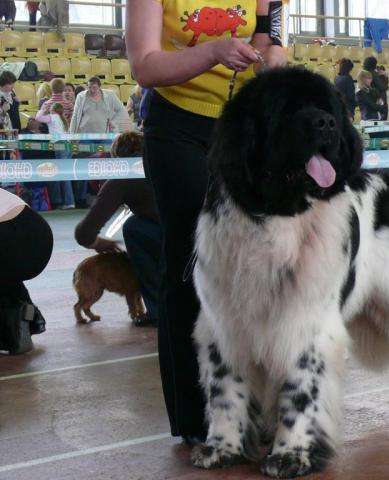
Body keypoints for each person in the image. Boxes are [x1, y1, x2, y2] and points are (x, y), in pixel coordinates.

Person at [126, 0, 287, 445]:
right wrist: (214, 51)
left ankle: (257, 405)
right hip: (177, 128)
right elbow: (144, 66)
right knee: (189, 264)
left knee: (256, 266)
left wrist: (270, 56)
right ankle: (198, 419)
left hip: (241, 126)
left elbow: (267, 34)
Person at [74, 131, 160, 327]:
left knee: (133, 226)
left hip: (170, 236)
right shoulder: (166, 162)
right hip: (201, 232)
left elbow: (84, 232)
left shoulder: (124, 175)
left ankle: (157, 309)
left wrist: (97, 242)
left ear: (117, 157)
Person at [0, 187, 52, 354]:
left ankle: (10, 334)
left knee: (6, 272)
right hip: (39, 236)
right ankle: (31, 318)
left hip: (11, 239)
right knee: (7, 275)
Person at [69, 76, 131, 208]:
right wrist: (72, 135)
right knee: (83, 166)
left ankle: (112, 197)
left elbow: (121, 110)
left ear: (99, 87)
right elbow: (75, 116)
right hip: (86, 136)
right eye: (89, 87)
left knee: (110, 165)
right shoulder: (81, 96)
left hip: (105, 135)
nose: (91, 90)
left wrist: (114, 122)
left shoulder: (110, 96)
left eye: (94, 87)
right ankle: (81, 199)